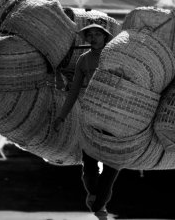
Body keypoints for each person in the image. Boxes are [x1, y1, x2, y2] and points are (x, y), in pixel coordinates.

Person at [53, 23, 119, 219]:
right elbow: (73, 92)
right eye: (90, 35)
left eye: (97, 34)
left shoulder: (115, 56)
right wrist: (61, 117)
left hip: (115, 116)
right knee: (89, 164)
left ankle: (99, 206)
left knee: (112, 164)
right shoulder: (83, 60)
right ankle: (95, 198)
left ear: (105, 37)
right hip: (90, 115)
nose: (93, 38)